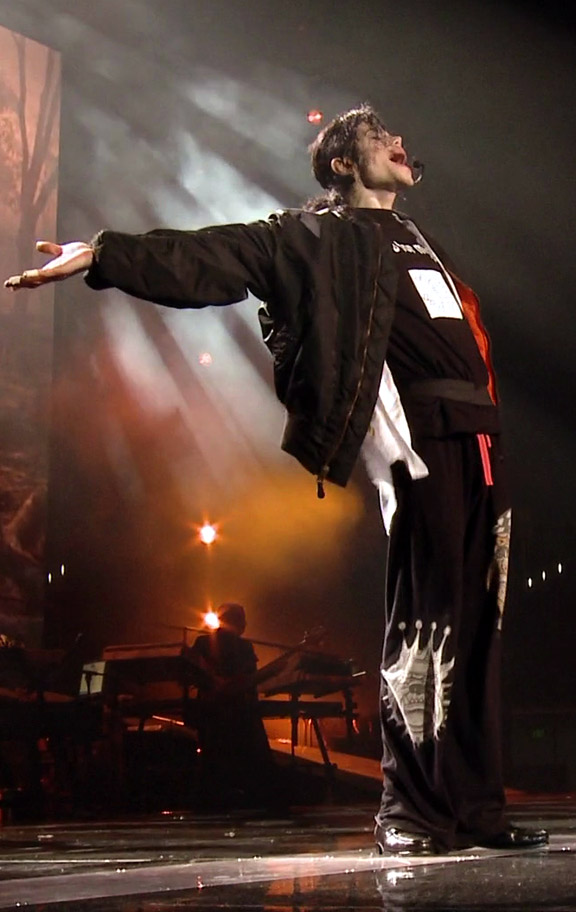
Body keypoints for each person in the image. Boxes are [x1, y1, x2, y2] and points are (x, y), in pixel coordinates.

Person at [4, 104, 547, 853]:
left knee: (477, 629)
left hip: (481, 438)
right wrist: (102, 255)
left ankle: (476, 810)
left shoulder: (421, 239)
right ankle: (412, 814)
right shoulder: (312, 236)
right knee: (425, 623)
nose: (399, 141)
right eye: (379, 137)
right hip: (418, 438)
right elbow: (212, 256)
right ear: (344, 164)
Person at [189, 602, 278, 809]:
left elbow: (191, 674)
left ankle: (210, 803)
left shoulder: (202, 642)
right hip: (237, 714)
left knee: (212, 762)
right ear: (239, 623)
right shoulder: (243, 646)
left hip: (211, 713)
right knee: (254, 759)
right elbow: (250, 681)